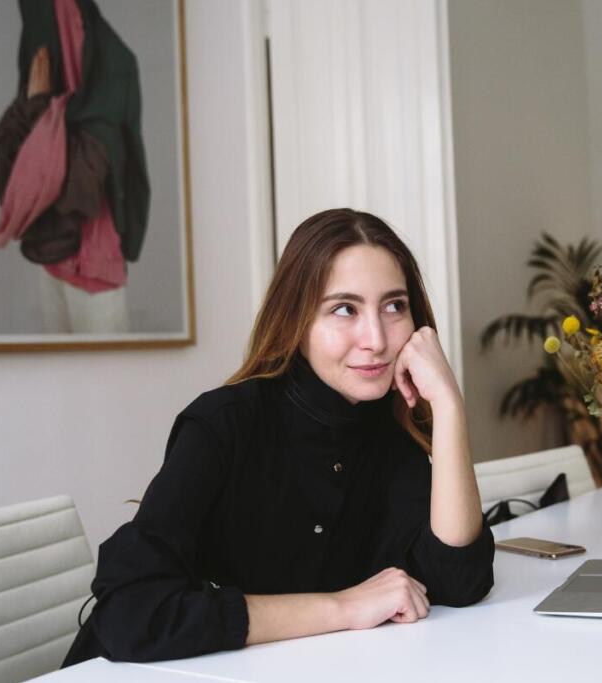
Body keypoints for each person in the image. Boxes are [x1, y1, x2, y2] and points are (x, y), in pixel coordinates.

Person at [62, 209, 494, 665]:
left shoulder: (386, 429)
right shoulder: (222, 423)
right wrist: (342, 607)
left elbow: (457, 582)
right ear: (297, 319)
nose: (377, 338)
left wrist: (448, 407)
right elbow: (133, 612)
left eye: (394, 306)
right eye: (344, 309)